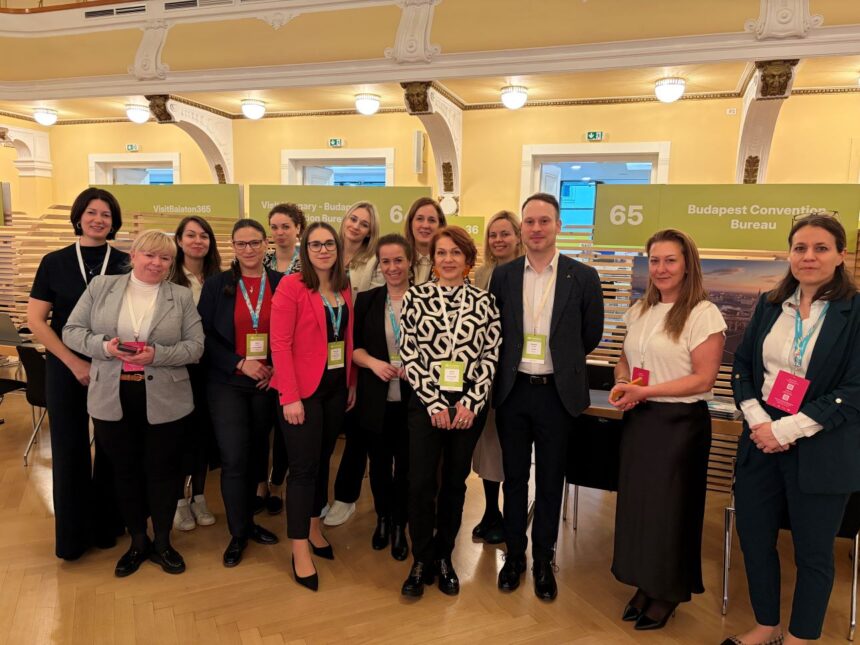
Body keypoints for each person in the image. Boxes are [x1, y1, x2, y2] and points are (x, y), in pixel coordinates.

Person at [725, 213, 860, 645]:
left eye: (821, 248)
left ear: (840, 255)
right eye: (800, 248)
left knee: (814, 552)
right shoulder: (770, 305)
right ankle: (767, 625)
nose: (808, 256)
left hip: (822, 446)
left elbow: (855, 389)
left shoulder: (855, 313)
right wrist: (759, 420)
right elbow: (742, 366)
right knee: (754, 538)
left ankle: (802, 637)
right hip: (761, 440)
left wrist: (787, 430)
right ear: (789, 254)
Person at [62, 230, 204, 577]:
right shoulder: (101, 287)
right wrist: (104, 347)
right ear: (133, 256)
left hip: (166, 398)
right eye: (149, 255)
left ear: (172, 263)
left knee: (164, 473)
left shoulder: (180, 296)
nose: (156, 263)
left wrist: (158, 355)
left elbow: (196, 347)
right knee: (124, 472)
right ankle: (138, 541)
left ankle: (163, 543)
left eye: (165, 258)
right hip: (112, 396)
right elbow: (71, 331)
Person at [608, 229, 726, 630]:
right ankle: (647, 582)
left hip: (680, 427)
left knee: (671, 511)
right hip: (641, 420)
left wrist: (645, 391)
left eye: (670, 260)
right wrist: (623, 382)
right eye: (654, 260)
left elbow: (703, 379)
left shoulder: (703, 314)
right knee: (641, 508)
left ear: (687, 264)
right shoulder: (641, 308)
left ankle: (669, 590)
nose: (660, 268)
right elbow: (624, 359)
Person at [489, 192, 604, 601]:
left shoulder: (583, 276)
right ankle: (514, 556)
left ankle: (543, 560)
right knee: (515, 478)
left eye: (544, 221)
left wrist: (561, 360)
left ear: (558, 226)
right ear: (522, 228)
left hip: (557, 395)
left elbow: (590, 335)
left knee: (551, 479)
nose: (536, 229)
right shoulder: (504, 275)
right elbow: (496, 331)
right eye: (529, 222)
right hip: (513, 392)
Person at [27, 187, 129, 561]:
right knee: (69, 449)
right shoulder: (54, 262)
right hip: (64, 365)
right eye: (91, 212)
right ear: (79, 217)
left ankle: (107, 527)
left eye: (106, 214)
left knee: (111, 447)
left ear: (113, 222)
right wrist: (73, 363)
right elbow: (36, 320)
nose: (98, 219)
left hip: (112, 364)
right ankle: (72, 538)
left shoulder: (125, 262)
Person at [399, 226, 501, 598]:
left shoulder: (485, 302)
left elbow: (491, 355)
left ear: (468, 259)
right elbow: (409, 352)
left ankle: (444, 556)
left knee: (455, 485)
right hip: (426, 403)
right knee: (421, 483)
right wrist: (434, 402)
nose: (448, 259)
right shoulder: (415, 297)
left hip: (468, 408)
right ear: (433, 259)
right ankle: (421, 558)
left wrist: (471, 403)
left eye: (455, 252)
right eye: (441, 253)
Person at [271, 222, 357, 592]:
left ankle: (314, 526)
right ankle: (299, 548)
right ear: (305, 250)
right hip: (302, 392)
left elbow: (347, 337)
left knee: (323, 462)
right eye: (315, 244)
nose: (323, 250)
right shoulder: (291, 286)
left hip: (335, 389)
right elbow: (279, 343)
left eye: (329, 244)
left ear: (338, 249)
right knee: (303, 470)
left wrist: (351, 381)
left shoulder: (343, 285)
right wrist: (289, 396)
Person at [197, 219, 282, 568]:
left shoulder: (282, 283)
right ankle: (238, 533)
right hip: (227, 382)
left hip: (266, 383)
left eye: (255, 242)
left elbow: (292, 332)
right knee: (233, 458)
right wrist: (239, 363)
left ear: (266, 245)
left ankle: (249, 522)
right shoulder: (217, 285)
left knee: (258, 455)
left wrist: (277, 368)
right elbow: (203, 336)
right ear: (233, 247)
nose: (249, 249)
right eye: (241, 243)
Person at [352, 234, 413, 561]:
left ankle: (401, 524)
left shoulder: (425, 299)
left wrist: (415, 368)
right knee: (378, 466)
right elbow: (353, 349)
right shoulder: (367, 300)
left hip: (413, 402)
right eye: (386, 261)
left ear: (409, 262)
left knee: (405, 467)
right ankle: (384, 519)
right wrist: (374, 363)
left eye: (398, 260)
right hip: (375, 399)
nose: (392, 267)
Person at [325, 201, 384, 527]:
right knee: (323, 430)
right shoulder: (325, 250)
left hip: (357, 347)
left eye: (364, 223)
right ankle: (316, 498)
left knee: (357, 429)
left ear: (370, 232)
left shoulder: (374, 261)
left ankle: (346, 497)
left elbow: (370, 308)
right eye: (353, 219)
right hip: (322, 349)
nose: (356, 226)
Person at [471, 210, 524, 545]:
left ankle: (510, 513)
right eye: (493, 234)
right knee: (488, 446)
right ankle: (491, 511)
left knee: (511, 448)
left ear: (518, 237)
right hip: (485, 374)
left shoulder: (526, 272)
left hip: (517, 373)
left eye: (505, 233)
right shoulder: (482, 274)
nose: (498, 240)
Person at [169, 215, 222, 532]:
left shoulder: (218, 277)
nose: (198, 241)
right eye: (191, 235)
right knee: (179, 435)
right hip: (178, 367)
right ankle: (178, 501)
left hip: (210, 368)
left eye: (204, 235)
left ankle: (199, 496)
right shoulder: (169, 277)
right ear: (179, 240)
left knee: (203, 434)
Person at [258, 203, 306, 516]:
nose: (279, 232)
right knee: (262, 426)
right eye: (274, 227)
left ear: (298, 228)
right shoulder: (261, 260)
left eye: (286, 226)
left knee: (286, 429)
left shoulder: (308, 263)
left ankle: (278, 482)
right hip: (261, 350)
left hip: (293, 354)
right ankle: (260, 486)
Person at [404, 197, 446, 285]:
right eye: (420, 219)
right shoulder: (398, 259)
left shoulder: (449, 263)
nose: (425, 225)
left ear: (440, 226)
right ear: (410, 223)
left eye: (432, 220)